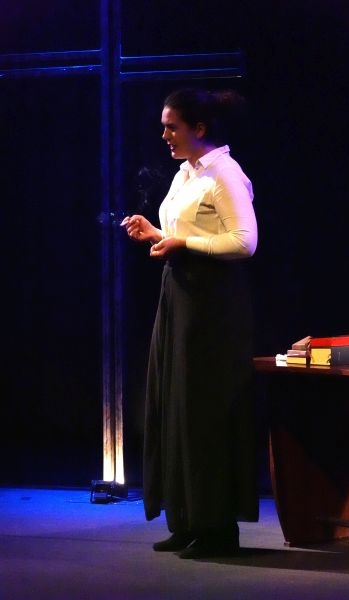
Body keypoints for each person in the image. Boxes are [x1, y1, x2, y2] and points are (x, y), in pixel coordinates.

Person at [121, 87, 259, 559]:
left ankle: (216, 527)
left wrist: (183, 244)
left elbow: (244, 241)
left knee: (203, 409)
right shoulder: (186, 173)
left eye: (172, 127)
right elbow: (189, 234)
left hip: (213, 304)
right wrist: (157, 234)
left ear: (199, 129)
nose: (164, 135)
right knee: (174, 403)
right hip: (180, 294)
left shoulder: (225, 173)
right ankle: (185, 518)